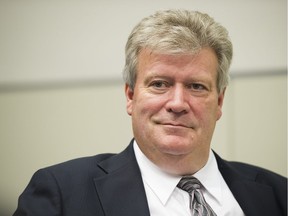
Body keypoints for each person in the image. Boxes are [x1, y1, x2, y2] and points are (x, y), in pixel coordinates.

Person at [13, 9, 287, 216]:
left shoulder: (279, 195)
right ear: (130, 95)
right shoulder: (63, 194)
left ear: (220, 102)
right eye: (159, 84)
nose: (178, 103)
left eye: (196, 86)